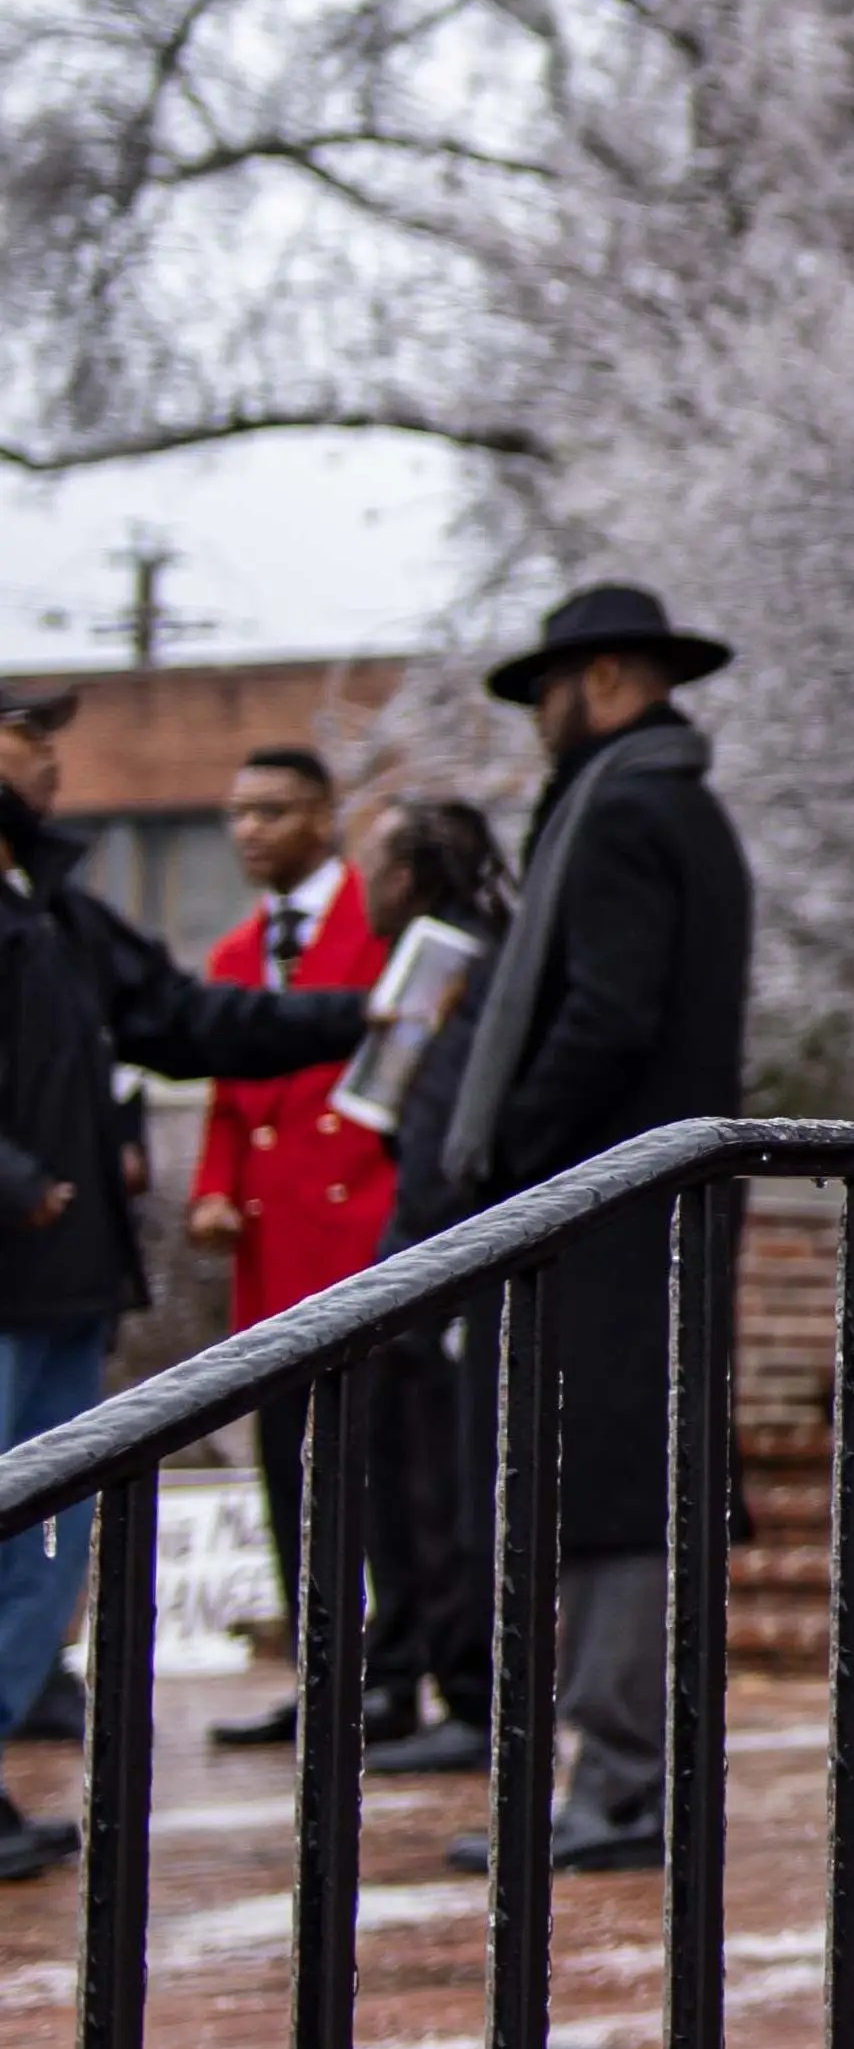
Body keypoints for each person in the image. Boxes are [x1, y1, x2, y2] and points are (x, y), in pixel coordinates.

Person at [0, 680, 372, 1884]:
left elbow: (184, 1018)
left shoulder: (51, 904)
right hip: (15, 1255)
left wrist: (364, 1016)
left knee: (39, 1536)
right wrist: (15, 1180)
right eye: (28, 737)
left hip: (60, 1279)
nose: (51, 760)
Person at [421, 587, 757, 1880]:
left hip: (613, 1209)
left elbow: (610, 1013)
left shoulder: (622, 810)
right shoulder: (673, 803)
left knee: (616, 1495)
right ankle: (621, 1783)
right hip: (644, 1205)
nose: (539, 720)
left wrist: (514, 1153)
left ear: (607, 678)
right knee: (621, 1484)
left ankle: (620, 1790)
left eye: (550, 690)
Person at [191, 745, 399, 1749]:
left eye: (271, 810)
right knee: (290, 1471)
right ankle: (322, 1676)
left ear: (324, 817)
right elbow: (230, 1095)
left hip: (363, 1232)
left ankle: (396, 1670)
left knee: (387, 1466)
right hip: (270, 1255)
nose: (248, 831)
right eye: (237, 812)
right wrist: (212, 1191)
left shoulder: (381, 929)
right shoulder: (233, 954)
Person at [351, 797, 514, 1780]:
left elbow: (442, 1139)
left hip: (440, 1267)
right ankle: (416, 1672)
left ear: (409, 876)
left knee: (441, 1484)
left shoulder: (457, 969)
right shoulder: (457, 959)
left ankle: (470, 1691)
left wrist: (410, 1266)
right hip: (424, 1258)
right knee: (409, 1485)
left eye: (374, 864)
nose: (362, 884)